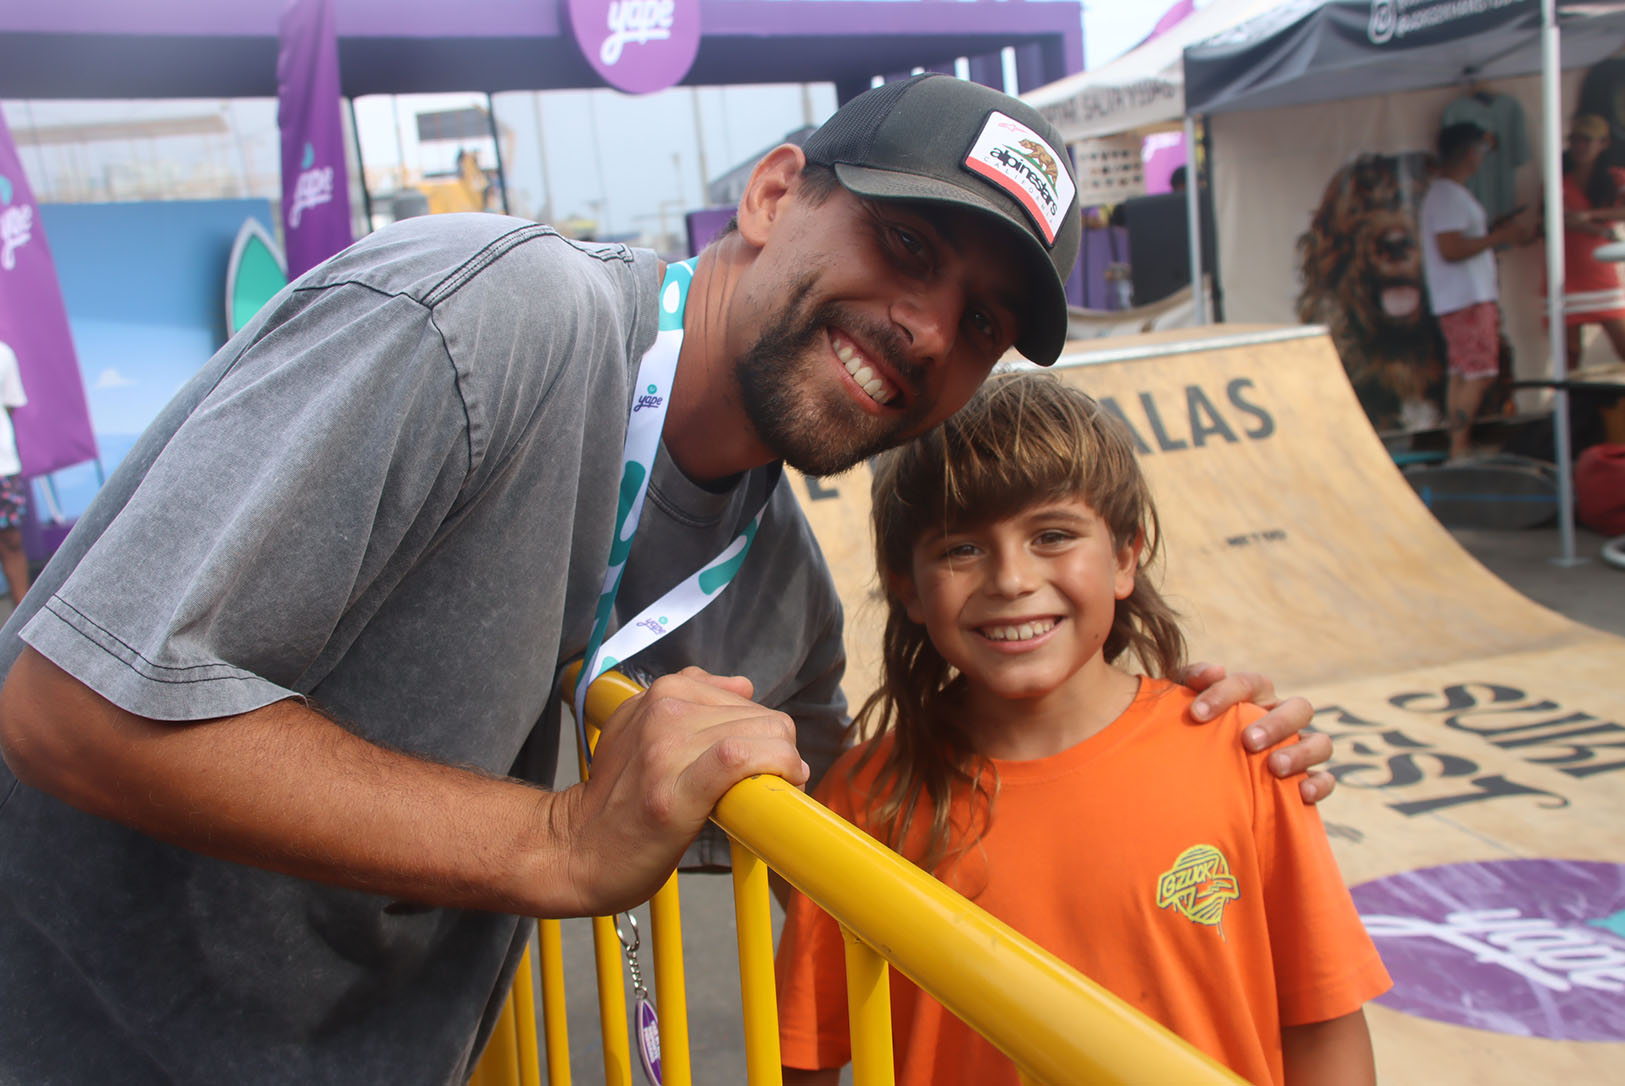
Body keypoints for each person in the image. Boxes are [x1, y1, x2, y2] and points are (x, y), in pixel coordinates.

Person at [0, 75, 1331, 1084]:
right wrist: (556, 841)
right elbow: (69, 704)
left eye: (981, 321)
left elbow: (897, 824)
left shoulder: (778, 600)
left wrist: (1187, 738)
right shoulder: (499, 318)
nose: (927, 328)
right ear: (772, 197)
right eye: (908, 245)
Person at [776, 373, 1390, 1086]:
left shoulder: (1242, 753)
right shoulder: (862, 803)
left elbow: (1321, 1023)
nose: (1011, 579)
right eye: (960, 549)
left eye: (1052, 536)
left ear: (1125, 556)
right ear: (906, 585)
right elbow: (806, 1056)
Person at [1419, 121, 1536, 460]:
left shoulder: (1447, 193)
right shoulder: (1447, 195)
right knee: (1479, 373)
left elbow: (1457, 242)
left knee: (1463, 373)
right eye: (1482, 150)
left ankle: (1458, 446)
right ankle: (1459, 447)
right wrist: (1499, 237)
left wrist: (1491, 233)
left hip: (1461, 297)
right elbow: (1450, 248)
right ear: (1471, 151)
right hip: (1467, 298)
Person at [1549, 113, 1625, 364]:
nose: (1579, 146)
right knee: (1569, 355)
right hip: (1565, 274)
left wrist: (1589, 216)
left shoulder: (1615, 178)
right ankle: (1571, 392)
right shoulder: (1558, 180)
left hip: (1599, 274)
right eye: (1575, 140)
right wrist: (1591, 227)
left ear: (1604, 143)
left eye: (1587, 140)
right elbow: (1545, 221)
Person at [0, 339, 29, 605]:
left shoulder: (3, 353)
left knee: (11, 541)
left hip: (3, 465)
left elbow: (10, 404)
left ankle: (25, 619)